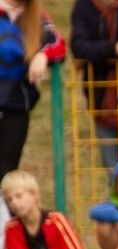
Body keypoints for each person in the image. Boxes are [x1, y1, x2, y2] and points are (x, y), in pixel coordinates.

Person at [2, 169, 115, 249]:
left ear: (34, 195)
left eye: (18, 196)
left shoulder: (56, 220)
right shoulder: (11, 228)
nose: (14, 203)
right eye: (9, 200)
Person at [69, 0, 118, 169]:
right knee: (113, 176)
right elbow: (79, 46)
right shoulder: (84, 6)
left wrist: (98, 52)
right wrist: (116, 49)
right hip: (101, 106)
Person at [0, 0, 65, 183]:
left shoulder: (38, 18)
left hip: (15, 107)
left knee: (6, 174)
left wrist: (43, 55)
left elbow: (58, 45)